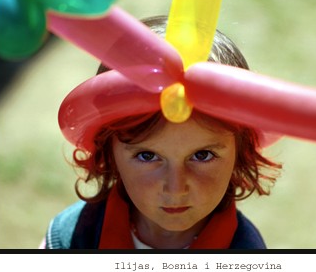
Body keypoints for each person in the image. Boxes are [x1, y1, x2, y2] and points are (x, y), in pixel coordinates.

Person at [40, 15, 282, 249]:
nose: (175, 188)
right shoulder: (70, 237)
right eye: (147, 156)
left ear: (239, 154)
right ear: (110, 154)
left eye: (202, 155)